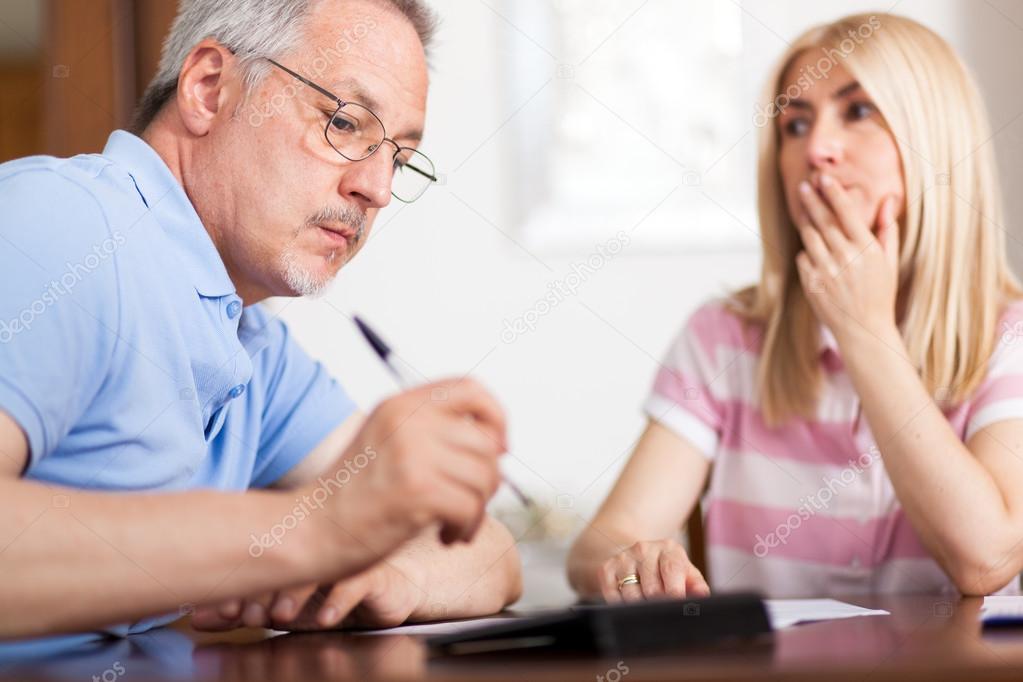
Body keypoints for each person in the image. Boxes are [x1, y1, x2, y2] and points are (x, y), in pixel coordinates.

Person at [0, 0, 522, 639]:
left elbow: (490, 551)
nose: (378, 188)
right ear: (209, 88)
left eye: (401, 159)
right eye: (343, 121)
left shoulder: (253, 346)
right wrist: (317, 532)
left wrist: (391, 574)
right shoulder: (64, 222)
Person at [568, 12, 1023, 602]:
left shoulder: (1007, 341)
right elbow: (596, 548)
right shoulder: (723, 338)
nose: (816, 149)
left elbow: (986, 560)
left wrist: (865, 333)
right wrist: (632, 565)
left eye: (857, 111)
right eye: (795, 125)